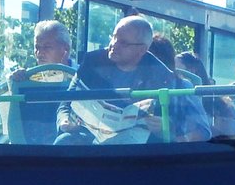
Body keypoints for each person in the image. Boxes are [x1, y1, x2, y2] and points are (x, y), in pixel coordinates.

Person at [56, 15, 210, 144]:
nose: (113, 45)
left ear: (142, 50)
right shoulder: (92, 63)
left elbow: (202, 131)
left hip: (138, 151)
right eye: (114, 37)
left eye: (123, 42)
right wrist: (64, 120)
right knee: (64, 141)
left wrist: (167, 128)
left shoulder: (168, 80)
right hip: (90, 139)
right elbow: (66, 102)